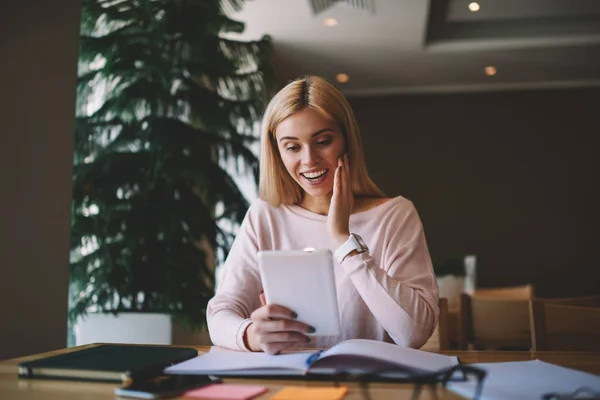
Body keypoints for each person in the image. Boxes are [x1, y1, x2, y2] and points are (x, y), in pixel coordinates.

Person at [207, 75, 439, 354]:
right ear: (278, 153)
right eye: (293, 147)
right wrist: (251, 335)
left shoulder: (394, 215)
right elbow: (221, 313)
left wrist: (344, 240)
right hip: (288, 385)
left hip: (369, 387)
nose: (309, 160)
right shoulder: (264, 216)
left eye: (323, 141)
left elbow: (414, 334)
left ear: (346, 142)